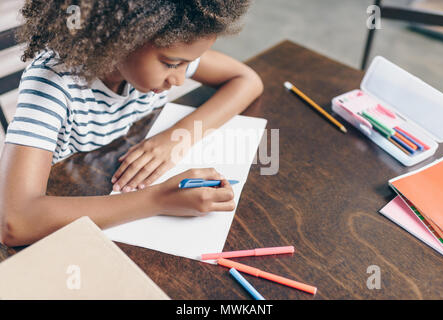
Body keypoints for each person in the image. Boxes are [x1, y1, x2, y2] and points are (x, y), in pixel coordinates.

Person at [0, 0, 263, 246]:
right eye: (172, 64)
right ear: (120, 39)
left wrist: (178, 137)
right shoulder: (52, 85)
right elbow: (16, 221)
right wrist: (159, 199)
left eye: (189, 63)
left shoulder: (164, 47)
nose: (180, 79)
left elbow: (247, 80)